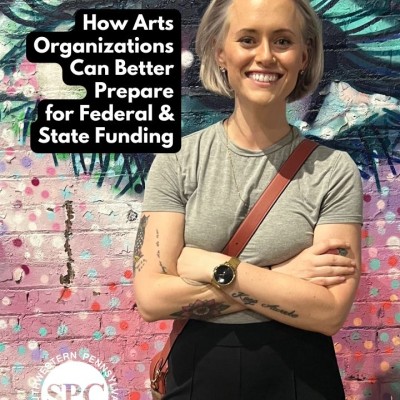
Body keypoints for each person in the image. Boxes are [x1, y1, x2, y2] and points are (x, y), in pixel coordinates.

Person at [133, 0, 363, 398]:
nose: (265, 56)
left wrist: (212, 265)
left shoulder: (333, 170)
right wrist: (284, 279)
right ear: (221, 52)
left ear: (303, 56)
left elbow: (329, 312)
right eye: (247, 39)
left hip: (301, 376)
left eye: (283, 41)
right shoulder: (178, 162)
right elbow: (152, 299)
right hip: (195, 372)